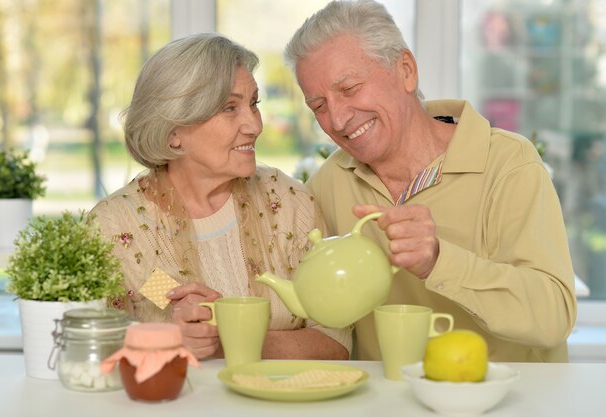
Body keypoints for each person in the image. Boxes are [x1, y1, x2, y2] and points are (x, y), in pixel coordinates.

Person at [284, 0, 576, 362]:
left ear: (406, 70)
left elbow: (554, 317)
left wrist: (439, 261)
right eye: (319, 106)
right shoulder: (327, 184)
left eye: (349, 89)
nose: (338, 119)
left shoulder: (508, 163)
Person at [90, 33, 350, 360]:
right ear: (173, 134)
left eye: (253, 103)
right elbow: (93, 349)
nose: (254, 125)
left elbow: (336, 343)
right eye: (229, 107)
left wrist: (230, 339)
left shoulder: (288, 204)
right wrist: (165, 339)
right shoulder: (116, 230)